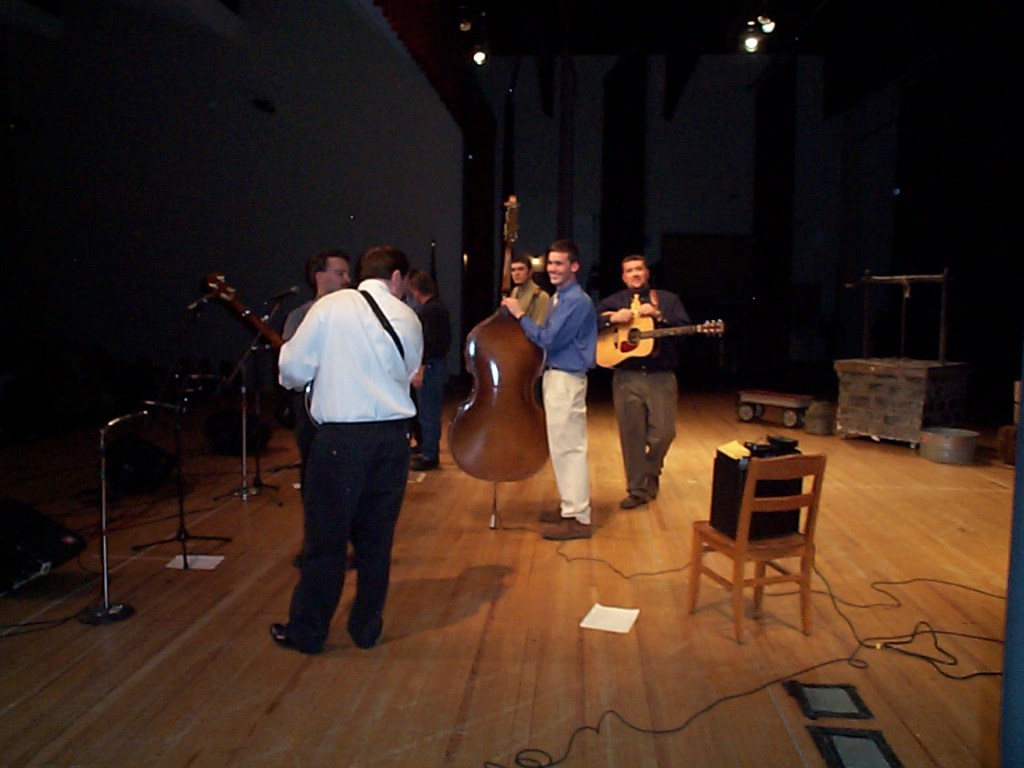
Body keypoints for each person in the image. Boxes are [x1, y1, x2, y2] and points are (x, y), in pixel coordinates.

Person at [271, 246, 423, 654]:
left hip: (342, 440)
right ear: (396, 278)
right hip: (393, 440)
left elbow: (292, 370)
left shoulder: (331, 307)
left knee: (326, 540)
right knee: (377, 540)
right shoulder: (408, 316)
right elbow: (410, 373)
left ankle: (309, 633)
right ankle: (366, 627)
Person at [501, 239, 597, 540]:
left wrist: (520, 315)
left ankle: (578, 517)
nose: (553, 269)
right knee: (561, 447)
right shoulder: (559, 298)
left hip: (566, 378)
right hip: (558, 377)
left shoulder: (576, 301)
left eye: (559, 264)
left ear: (574, 266)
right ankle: (571, 508)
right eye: (551, 263)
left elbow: (548, 339)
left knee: (569, 448)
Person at [595, 254, 691, 509]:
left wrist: (659, 316)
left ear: (647, 273)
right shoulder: (614, 302)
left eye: (639, 269)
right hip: (626, 378)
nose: (635, 274)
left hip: (661, 377)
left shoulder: (668, 300)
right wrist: (612, 319)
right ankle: (637, 490)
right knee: (632, 436)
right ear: (623, 277)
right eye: (629, 270)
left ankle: (650, 470)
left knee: (664, 434)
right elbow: (589, 323)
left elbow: (684, 332)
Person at [282, 249, 352, 488]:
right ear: (319, 277)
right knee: (313, 464)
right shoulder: (299, 316)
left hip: (348, 403)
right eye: (340, 273)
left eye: (347, 274)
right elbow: (293, 363)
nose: (347, 279)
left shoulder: (356, 315)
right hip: (310, 405)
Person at [406, 270, 451, 472]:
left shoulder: (430, 310)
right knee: (428, 412)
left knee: (428, 414)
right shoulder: (437, 307)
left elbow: (428, 344)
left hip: (430, 367)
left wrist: (420, 370)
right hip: (436, 366)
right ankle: (427, 449)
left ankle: (430, 455)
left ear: (416, 291)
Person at [509, 253, 549, 325]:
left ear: (530, 272)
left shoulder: (541, 296)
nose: (516, 273)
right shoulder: (515, 291)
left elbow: (539, 326)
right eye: (513, 270)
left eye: (521, 269)